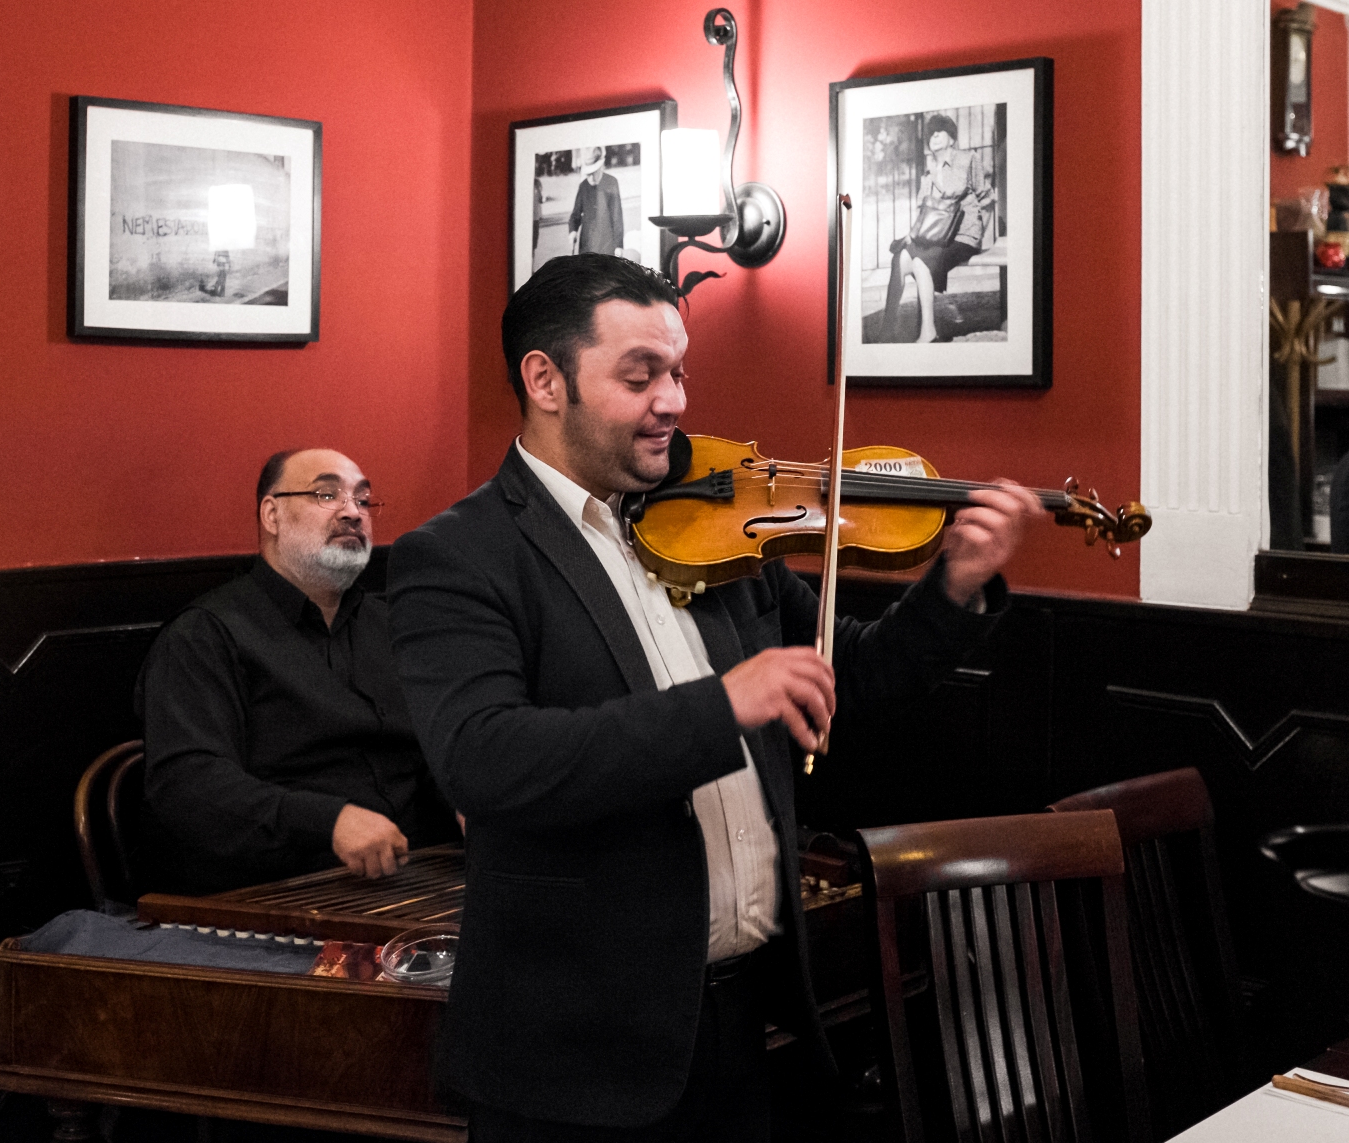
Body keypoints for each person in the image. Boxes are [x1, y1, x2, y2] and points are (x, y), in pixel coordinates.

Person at [385, 253, 1042, 1141]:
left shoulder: (717, 525)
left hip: (747, 1028)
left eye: (679, 371)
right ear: (544, 379)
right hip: (577, 1064)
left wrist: (953, 587)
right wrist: (721, 704)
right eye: (640, 374)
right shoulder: (457, 556)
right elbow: (488, 758)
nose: (675, 400)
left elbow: (848, 675)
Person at [137, 448, 455, 896]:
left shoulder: (393, 627)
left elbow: (436, 745)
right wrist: (329, 821)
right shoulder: (206, 635)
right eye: (327, 495)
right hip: (280, 893)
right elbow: (188, 786)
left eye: (363, 501)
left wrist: (467, 799)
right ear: (272, 514)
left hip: (418, 877)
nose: (352, 512)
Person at [880, 113, 996, 343]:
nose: (933, 134)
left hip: (963, 236)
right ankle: (888, 329)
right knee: (901, 258)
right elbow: (924, 210)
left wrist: (981, 234)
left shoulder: (968, 159)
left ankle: (928, 331)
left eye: (940, 130)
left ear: (952, 139)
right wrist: (912, 236)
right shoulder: (928, 170)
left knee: (921, 261)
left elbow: (986, 197)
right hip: (937, 237)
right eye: (930, 131)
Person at [568, 146, 624, 258]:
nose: (590, 177)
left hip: (607, 245)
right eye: (588, 174)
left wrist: (618, 245)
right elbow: (575, 214)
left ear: (600, 168)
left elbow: (617, 216)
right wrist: (573, 230)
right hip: (587, 245)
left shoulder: (612, 183)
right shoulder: (583, 186)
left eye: (593, 173)